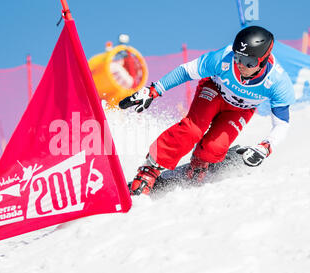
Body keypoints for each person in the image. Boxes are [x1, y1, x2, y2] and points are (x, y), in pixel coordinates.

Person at [119, 26, 295, 195]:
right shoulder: (223, 58)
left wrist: (265, 148)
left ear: (263, 60)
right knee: (192, 130)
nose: (241, 65)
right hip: (214, 91)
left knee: (214, 149)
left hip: (240, 110)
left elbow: (282, 124)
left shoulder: (278, 82)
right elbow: (185, 71)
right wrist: (154, 90)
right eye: (238, 57)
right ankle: (149, 170)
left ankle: (200, 162)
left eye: (249, 62)